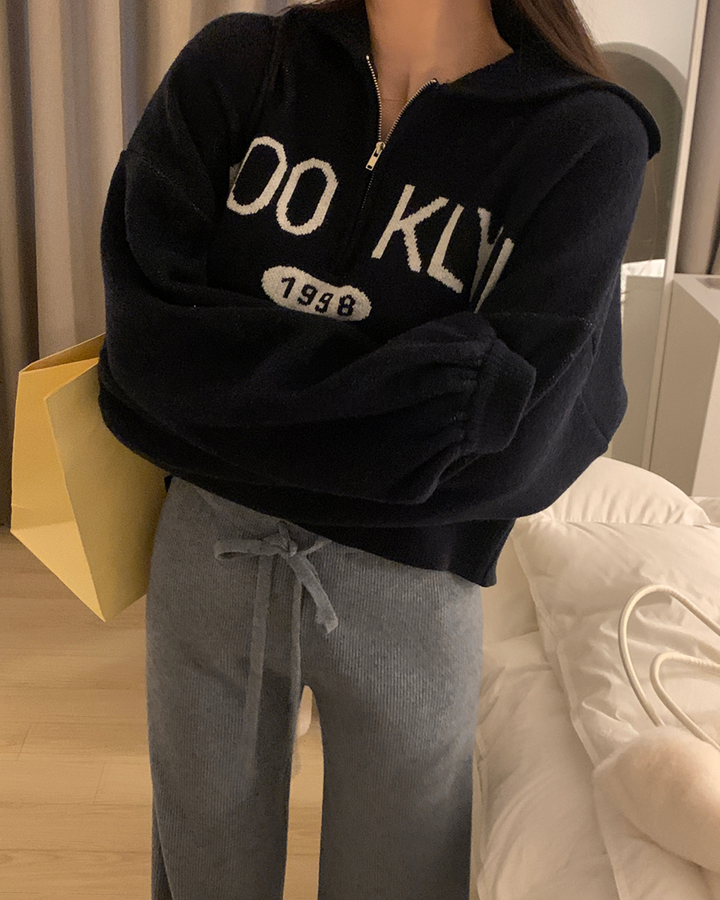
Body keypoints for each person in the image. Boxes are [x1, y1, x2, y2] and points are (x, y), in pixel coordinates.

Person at [97, 0, 661, 897]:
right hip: (210, 555)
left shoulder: (585, 137)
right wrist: (412, 393)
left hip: (414, 591)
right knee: (201, 874)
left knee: (400, 881)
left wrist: (231, 393)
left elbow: (521, 434)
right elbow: (146, 349)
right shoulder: (238, 67)